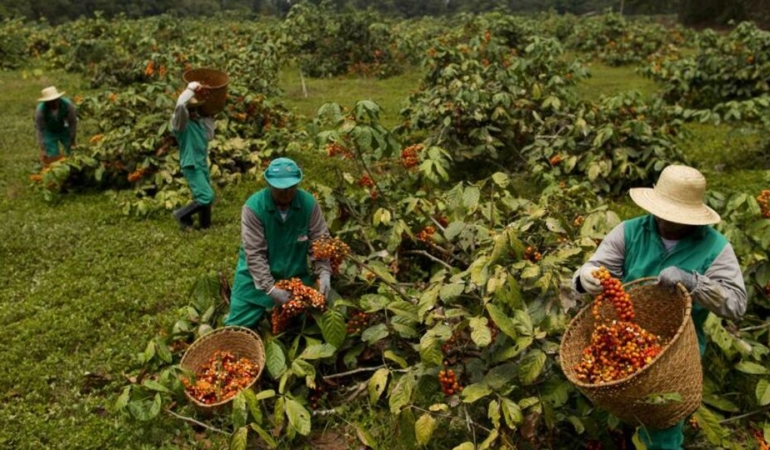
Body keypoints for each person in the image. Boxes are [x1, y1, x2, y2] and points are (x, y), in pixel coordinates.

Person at [573, 164, 747, 450]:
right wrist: (585, 277)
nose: (666, 220)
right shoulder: (629, 232)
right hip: (621, 343)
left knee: (661, 433)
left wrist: (694, 282)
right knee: (623, 415)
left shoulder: (716, 247)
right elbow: (597, 267)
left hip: (676, 355)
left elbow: (736, 304)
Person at [225, 157, 332, 329]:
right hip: (253, 281)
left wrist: (324, 272)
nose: (286, 193)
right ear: (269, 185)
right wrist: (269, 288)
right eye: (280, 189)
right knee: (235, 330)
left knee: (311, 324)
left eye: (291, 188)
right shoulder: (254, 208)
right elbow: (255, 253)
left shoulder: (309, 204)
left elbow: (320, 241)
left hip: (295, 278)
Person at [170, 81, 215, 229]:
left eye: (197, 109)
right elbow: (180, 106)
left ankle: (205, 226)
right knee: (206, 195)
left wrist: (210, 114)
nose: (195, 112)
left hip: (201, 163)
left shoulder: (199, 124)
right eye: (192, 109)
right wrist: (191, 88)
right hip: (191, 164)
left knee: (205, 195)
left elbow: (209, 135)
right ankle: (181, 215)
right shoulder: (181, 125)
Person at [35, 86, 77, 166]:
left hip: (64, 129)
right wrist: (43, 148)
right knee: (52, 155)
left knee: (72, 152)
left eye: (55, 101)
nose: (53, 104)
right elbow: (40, 129)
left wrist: (72, 140)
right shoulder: (40, 110)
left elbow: (72, 123)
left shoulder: (68, 105)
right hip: (49, 132)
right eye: (50, 102)